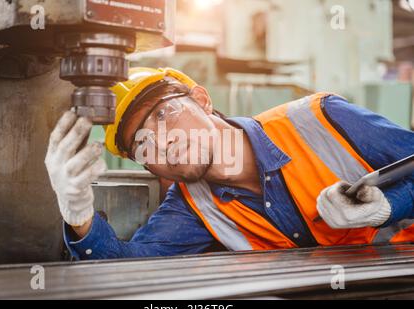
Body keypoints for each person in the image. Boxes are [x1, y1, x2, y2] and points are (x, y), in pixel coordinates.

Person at [45, 67, 414, 260]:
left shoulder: (321, 119)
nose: (161, 141)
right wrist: (80, 218)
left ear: (202, 100)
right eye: (141, 144)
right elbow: (129, 268)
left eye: (163, 115)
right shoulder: (191, 209)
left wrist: (388, 206)